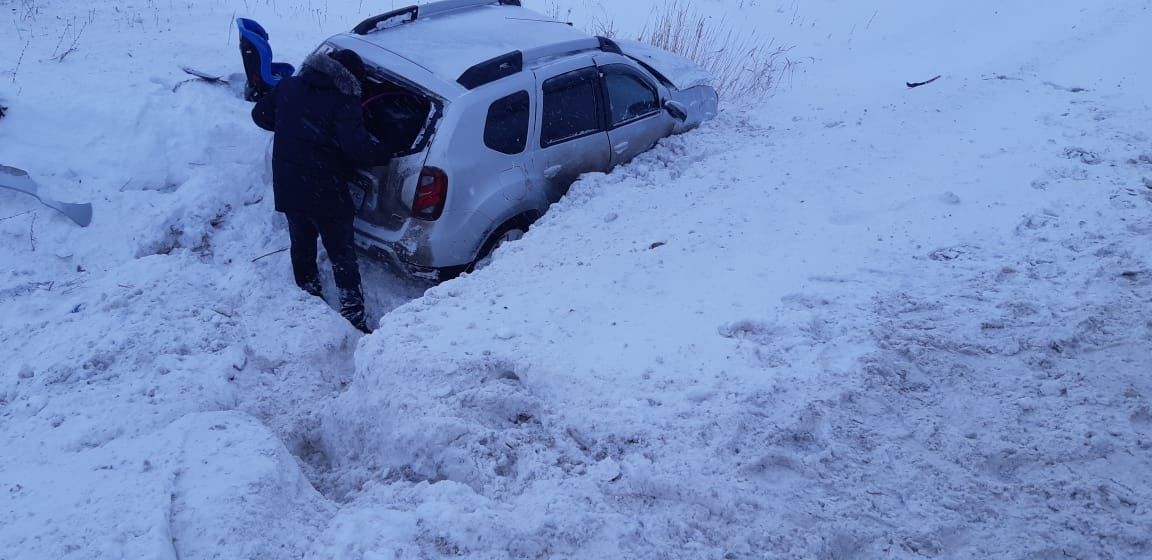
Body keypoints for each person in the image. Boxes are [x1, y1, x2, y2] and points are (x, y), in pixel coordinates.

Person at [251, 49, 389, 334]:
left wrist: (292, 125)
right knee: (341, 252)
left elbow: (260, 115)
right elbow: (357, 148)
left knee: (301, 241)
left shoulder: (288, 86)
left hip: (290, 182)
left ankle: (307, 292)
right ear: (350, 78)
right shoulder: (344, 101)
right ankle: (353, 312)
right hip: (325, 190)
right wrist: (385, 150)